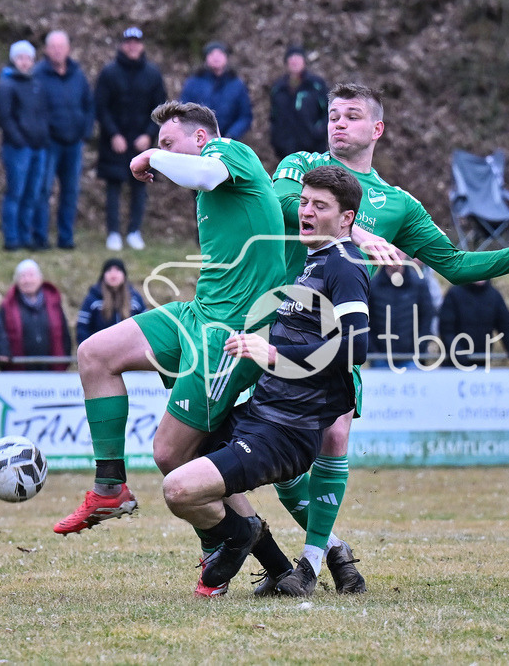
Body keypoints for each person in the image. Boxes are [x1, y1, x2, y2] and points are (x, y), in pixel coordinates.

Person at [270, 83, 509, 593]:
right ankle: (331, 548)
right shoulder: (299, 166)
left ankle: (310, 564)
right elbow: (277, 208)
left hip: (337, 337)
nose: (338, 123)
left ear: (377, 129)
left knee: (335, 436)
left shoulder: (397, 205)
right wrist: (356, 234)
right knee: (275, 460)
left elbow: (454, 265)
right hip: (279, 327)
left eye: (351, 115)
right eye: (333, 115)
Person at [54, 101, 295, 600]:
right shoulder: (211, 185)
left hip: (230, 336)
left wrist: (149, 157)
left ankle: (235, 542)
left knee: (173, 457)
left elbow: (205, 172)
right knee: (95, 354)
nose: (164, 153)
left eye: (170, 142)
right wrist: (162, 156)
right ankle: (109, 487)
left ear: (201, 138)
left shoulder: (233, 154)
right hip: (198, 316)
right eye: (160, 145)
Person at [162, 165, 370, 598]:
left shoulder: (345, 266)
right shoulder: (311, 264)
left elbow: (355, 348)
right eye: (305, 202)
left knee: (179, 490)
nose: (306, 212)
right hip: (260, 415)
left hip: (285, 431)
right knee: (176, 447)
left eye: (320, 205)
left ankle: (244, 537)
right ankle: (275, 558)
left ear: (346, 218)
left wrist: (273, 354)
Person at [94, 27, 167, 251]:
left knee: (140, 186)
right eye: (128, 42)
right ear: (122, 45)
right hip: (114, 142)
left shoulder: (153, 74)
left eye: (136, 42)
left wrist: (148, 134)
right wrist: (113, 134)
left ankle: (134, 231)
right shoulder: (109, 73)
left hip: (141, 142)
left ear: (142, 45)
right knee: (113, 188)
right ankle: (114, 232)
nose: (132, 46)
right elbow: (100, 107)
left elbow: (161, 108)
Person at [35, 30, 94, 250]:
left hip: (74, 143)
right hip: (49, 143)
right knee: (44, 191)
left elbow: (89, 104)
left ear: (68, 48)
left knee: (70, 193)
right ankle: (40, 237)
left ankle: (66, 237)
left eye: (62, 46)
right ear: (47, 50)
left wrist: (85, 131)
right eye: (54, 46)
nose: (58, 50)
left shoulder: (78, 74)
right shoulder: (38, 74)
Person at [0, 40, 49, 251]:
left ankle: (27, 237)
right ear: (13, 59)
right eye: (20, 58)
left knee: (32, 195)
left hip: (38, 147)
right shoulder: (6, 85)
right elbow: (5, 118)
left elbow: (44, 114)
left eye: (28, 58)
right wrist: (19, 139)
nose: (24, 62)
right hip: (18, 148)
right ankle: (12, 238)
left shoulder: (37, 84)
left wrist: (42, 138)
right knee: (15, 193)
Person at [0, 259, 72, 371]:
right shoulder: (7, 305)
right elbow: (0, 335)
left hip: (52, 372)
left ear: (40, 278)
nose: (27, 280)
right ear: (17, 281)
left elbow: (65, 335)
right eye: (22, 276)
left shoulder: (54, 303)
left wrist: (64, 361)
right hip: (19, 375)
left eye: (31, 275)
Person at [367, 256, 436, 369]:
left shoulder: (419, 285)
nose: (394, 257)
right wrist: (372, 351)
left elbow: (427, 318)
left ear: (405, 254)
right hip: (380, 360)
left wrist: (419, 349)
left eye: (398, 253)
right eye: (390, 254)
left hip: (411, 359)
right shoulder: (372, 286)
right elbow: (365, 322)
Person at [180, 41, 252, 141]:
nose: (216, 57)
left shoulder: (237, 84)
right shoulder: (193, 83)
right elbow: (183, 111)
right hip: (198, 140)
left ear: (226, 58)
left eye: (220, 54)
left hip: (229, 142)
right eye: (212, 54)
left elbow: (245, 116)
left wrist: (231, 135)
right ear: (206, 58)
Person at [269, 45, 329, 158]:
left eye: (298, 57)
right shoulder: (278, 88)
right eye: (291, 58)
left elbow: (328, 111)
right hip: (286, 150)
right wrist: (276, 140)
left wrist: (318, 131)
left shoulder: (316, 85)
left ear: (304, 61)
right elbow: (273, 117)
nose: (294, 61)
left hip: (314, 150)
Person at [438, 280, 509, 367]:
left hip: (481, 363)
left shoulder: (494, 295)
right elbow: (446, 330)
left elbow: (506, 327)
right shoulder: (454, 294)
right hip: (453, 365)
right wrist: (457, 352)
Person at [75, 258, 146, 347]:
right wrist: (88, 351)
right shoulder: (92, 299)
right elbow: (82, 328)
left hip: (131, 354)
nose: (113, 274)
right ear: (103, 275)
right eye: (109, 270)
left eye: (118, 270)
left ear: (124, 275)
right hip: (100, 353)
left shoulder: (135, 298)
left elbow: (146, 326)